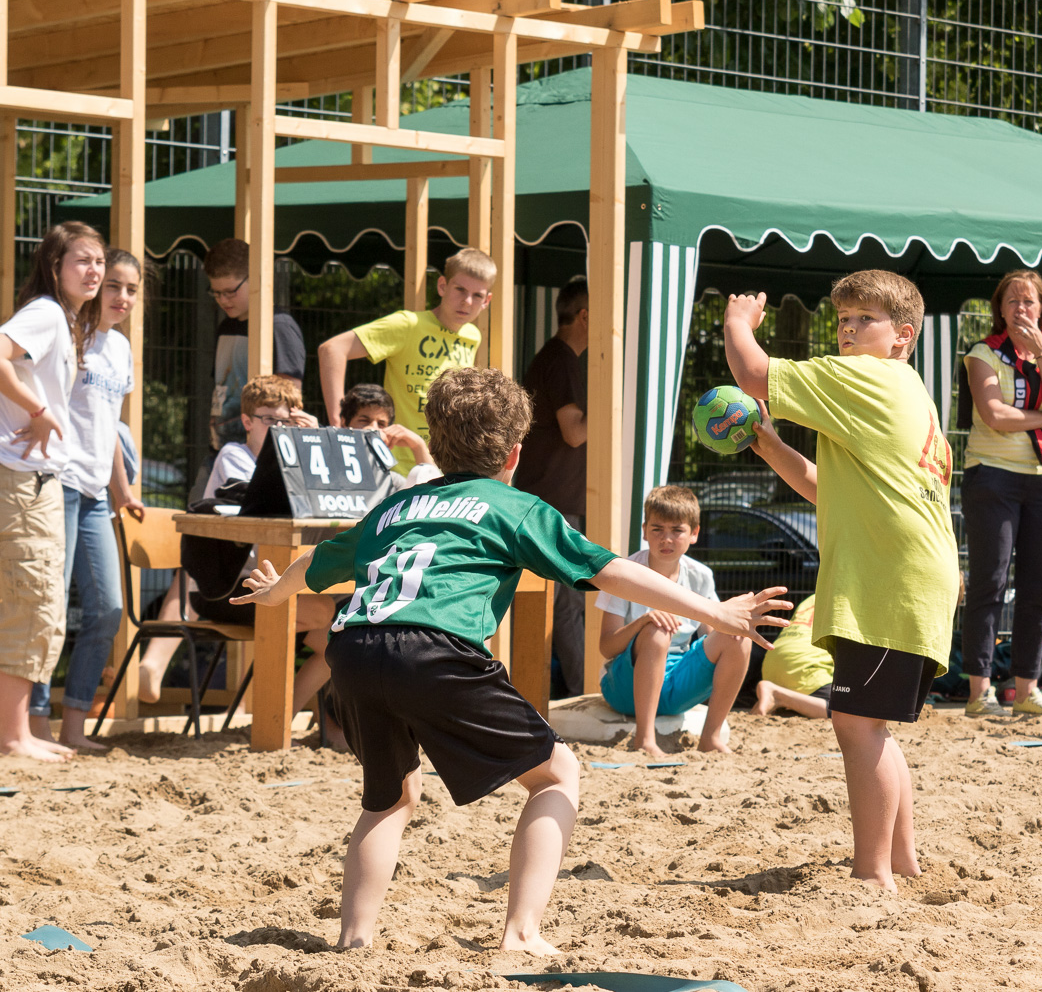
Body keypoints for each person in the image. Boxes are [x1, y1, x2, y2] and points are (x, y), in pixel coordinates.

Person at [225, 366, 788, 951]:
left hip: (356, 649)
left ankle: (354, 938)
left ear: (437, 447)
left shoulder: (398, 506)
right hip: (434, 651)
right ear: (516, 452)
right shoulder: (513, 506)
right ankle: (521, 933)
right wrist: (715, 612)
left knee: (388, 797)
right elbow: (610, 570)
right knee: (557, 776)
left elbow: (318, 561)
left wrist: (276, 592)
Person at [725, 271, 960, 892]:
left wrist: (737, 322)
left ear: (902, 337)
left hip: (891, 579)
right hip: (910, 576)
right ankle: (901, 860)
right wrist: (769, 444)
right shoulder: (903, 387)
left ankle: (873, 873)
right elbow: (829, 491)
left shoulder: (869, 376)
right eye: (844, 320)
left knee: (855, 725)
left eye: (864, 320)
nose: (849, 331)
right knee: (871, 724)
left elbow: (753, 375)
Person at [136, 376, 337, 725]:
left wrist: (314, 443)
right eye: (270, 421)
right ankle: (266, 720)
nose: (279, 429)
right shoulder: (234, 456)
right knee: (322, 610)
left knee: (338, 640)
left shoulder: (292, 458)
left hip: (270, 582)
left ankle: (275, 720)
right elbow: (267, 506)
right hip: (224, 589)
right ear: (247, 422)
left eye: (287, 422)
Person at [27, 248, 142, 751]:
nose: (121, 296)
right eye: (113, 285)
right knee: (47, 607)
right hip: (58, 482)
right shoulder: (73, 334)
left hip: (97, 493)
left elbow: (110, 426)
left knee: (108, 610)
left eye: (132, 289)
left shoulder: (120, 349)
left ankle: (73, 729)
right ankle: (32, 726)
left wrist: (123, 487)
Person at [0, 221, 104, 761]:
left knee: (30, 598)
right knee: (32, 598)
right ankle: (14, 736)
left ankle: (16, 731)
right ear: (54, 265)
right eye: (82, 260)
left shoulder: (63, 320)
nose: (94, 271)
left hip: (31, 478)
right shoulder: (44, 313)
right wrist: (38, 412)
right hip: (21, 477)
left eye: (100, 262)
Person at [957, 269, 1042, 719]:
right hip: (993, 474)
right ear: (999, 310)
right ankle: (980, 693)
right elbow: (993, 415)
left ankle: (1027, 690)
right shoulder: (982, 353)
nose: (1021, 308)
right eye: (1012, 301)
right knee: (990, 583)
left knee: (1039, 589)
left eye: (1029, 301)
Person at [597, 485, 749, 757]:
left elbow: (713, 636)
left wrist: (737, 621)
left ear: (694, 534)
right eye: (657, 529)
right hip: (624, 688)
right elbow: (607, 648)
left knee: (738, 636)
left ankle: (711, 737)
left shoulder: (701, 575)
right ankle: (644, 740)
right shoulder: (625, 572)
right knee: (658, 629)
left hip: (678, 686)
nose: (666, 538)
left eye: (677, 530)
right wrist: (643, 622)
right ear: (644, 531)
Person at [318, 248, 495, 475]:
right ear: (442, 286)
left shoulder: (472, 336)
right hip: (395, 468)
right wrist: (337, 422)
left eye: (477, 295)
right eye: (460, 289)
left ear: (487, 301)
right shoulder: (408, 324)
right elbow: (332, 350)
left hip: (444, 469)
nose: (467, 301)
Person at [514, 276, 589, 697]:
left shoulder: (557, 358)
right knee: (566, 603)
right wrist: (610, 396)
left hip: (553, 497)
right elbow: (575, 432)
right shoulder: (560, 359)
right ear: (585, 316)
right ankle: (579, 694)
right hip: (553, 500)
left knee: (563, 601)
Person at [205, 237, 304, 452]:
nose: (223, 300)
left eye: (230, 292)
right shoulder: (226, 327)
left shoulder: (279, 327)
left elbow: (292, 399)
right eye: (216, 293)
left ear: (255, 279)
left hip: (261, 453)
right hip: (220, 446)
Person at [338, 383, 442, 490]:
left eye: (381, 424)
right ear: (344, 423)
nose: (373, 429)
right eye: (364, 421)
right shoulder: (325, 470)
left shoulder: (392, 484)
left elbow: (434, 495)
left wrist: (418, 445)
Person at [754, 594, 832, 719]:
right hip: (803, 666)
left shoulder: (816, 595)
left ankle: (781, 698)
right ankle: (778, 695)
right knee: (844, 712)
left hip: (773, 661)